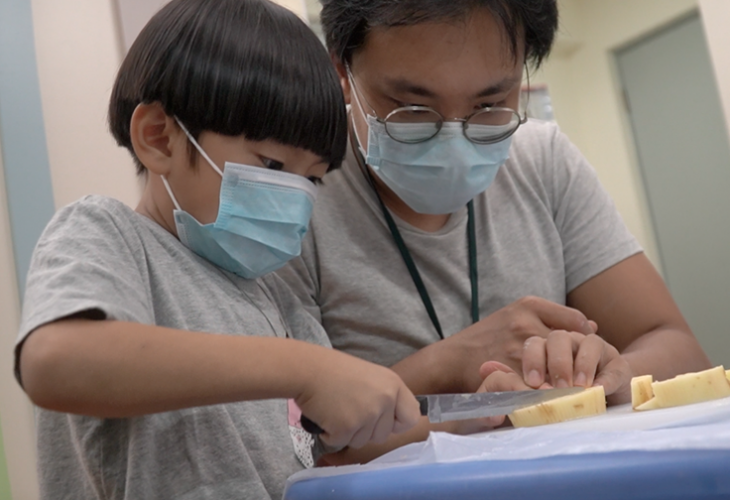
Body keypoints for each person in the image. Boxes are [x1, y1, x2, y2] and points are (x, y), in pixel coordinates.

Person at [13, 0, 423, 497]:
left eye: (312, 179)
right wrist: (304, 368)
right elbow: (55, 361)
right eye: (272, 166)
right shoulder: (109, 233)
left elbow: (341, 442)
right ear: (159, 138)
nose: (296, 196)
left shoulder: (277, 302)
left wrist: (480, 421)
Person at [278, 0, 711, 437]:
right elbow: (298, 435)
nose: (453, 136)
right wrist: (449, 363)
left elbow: (679, 349)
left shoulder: (541, 161)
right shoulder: (295, 194)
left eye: (489, 104)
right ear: (342, 72)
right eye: (411, 108)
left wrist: (599, 378)